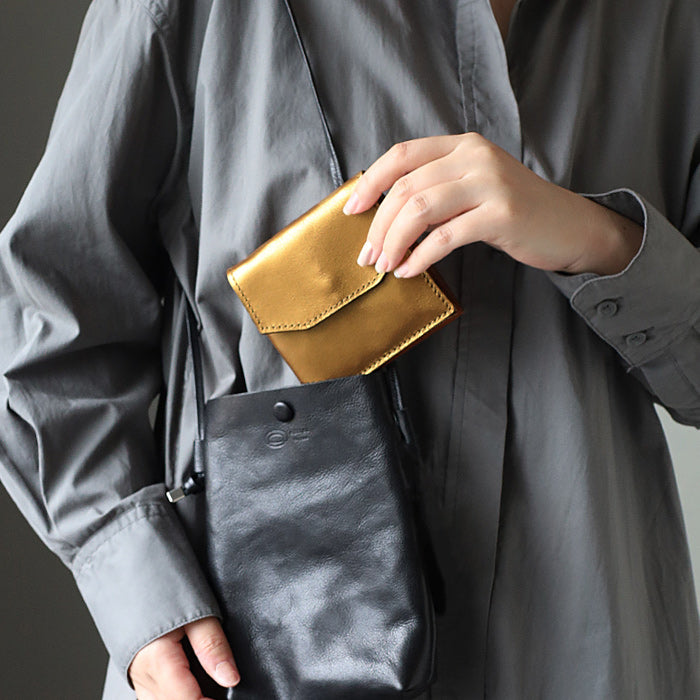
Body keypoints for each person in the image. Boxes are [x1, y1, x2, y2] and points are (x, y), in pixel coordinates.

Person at [1, 0, 698, 698]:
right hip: (262, 653)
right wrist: (139, 585)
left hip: (589, 645)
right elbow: (49, 300)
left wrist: (603, 241)